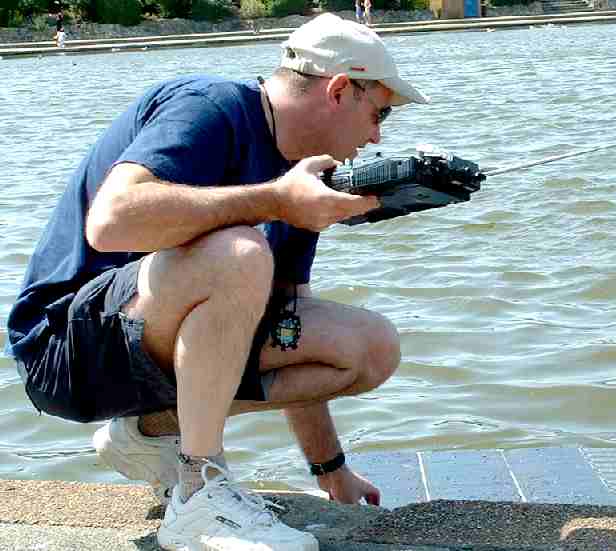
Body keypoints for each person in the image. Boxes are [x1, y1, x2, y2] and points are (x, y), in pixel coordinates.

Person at [6, 13, 428, 551]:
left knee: (368, 348)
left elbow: (289, 329)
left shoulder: (300, 174)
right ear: (340, 89)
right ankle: (198, 496)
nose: (377, 135)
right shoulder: (210, 108)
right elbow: (111, 222)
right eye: (379, 113)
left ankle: (149, 432)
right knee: (239, 252)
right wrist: (275, 200)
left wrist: (331, 469)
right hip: (66, 348)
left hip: (144, 342)